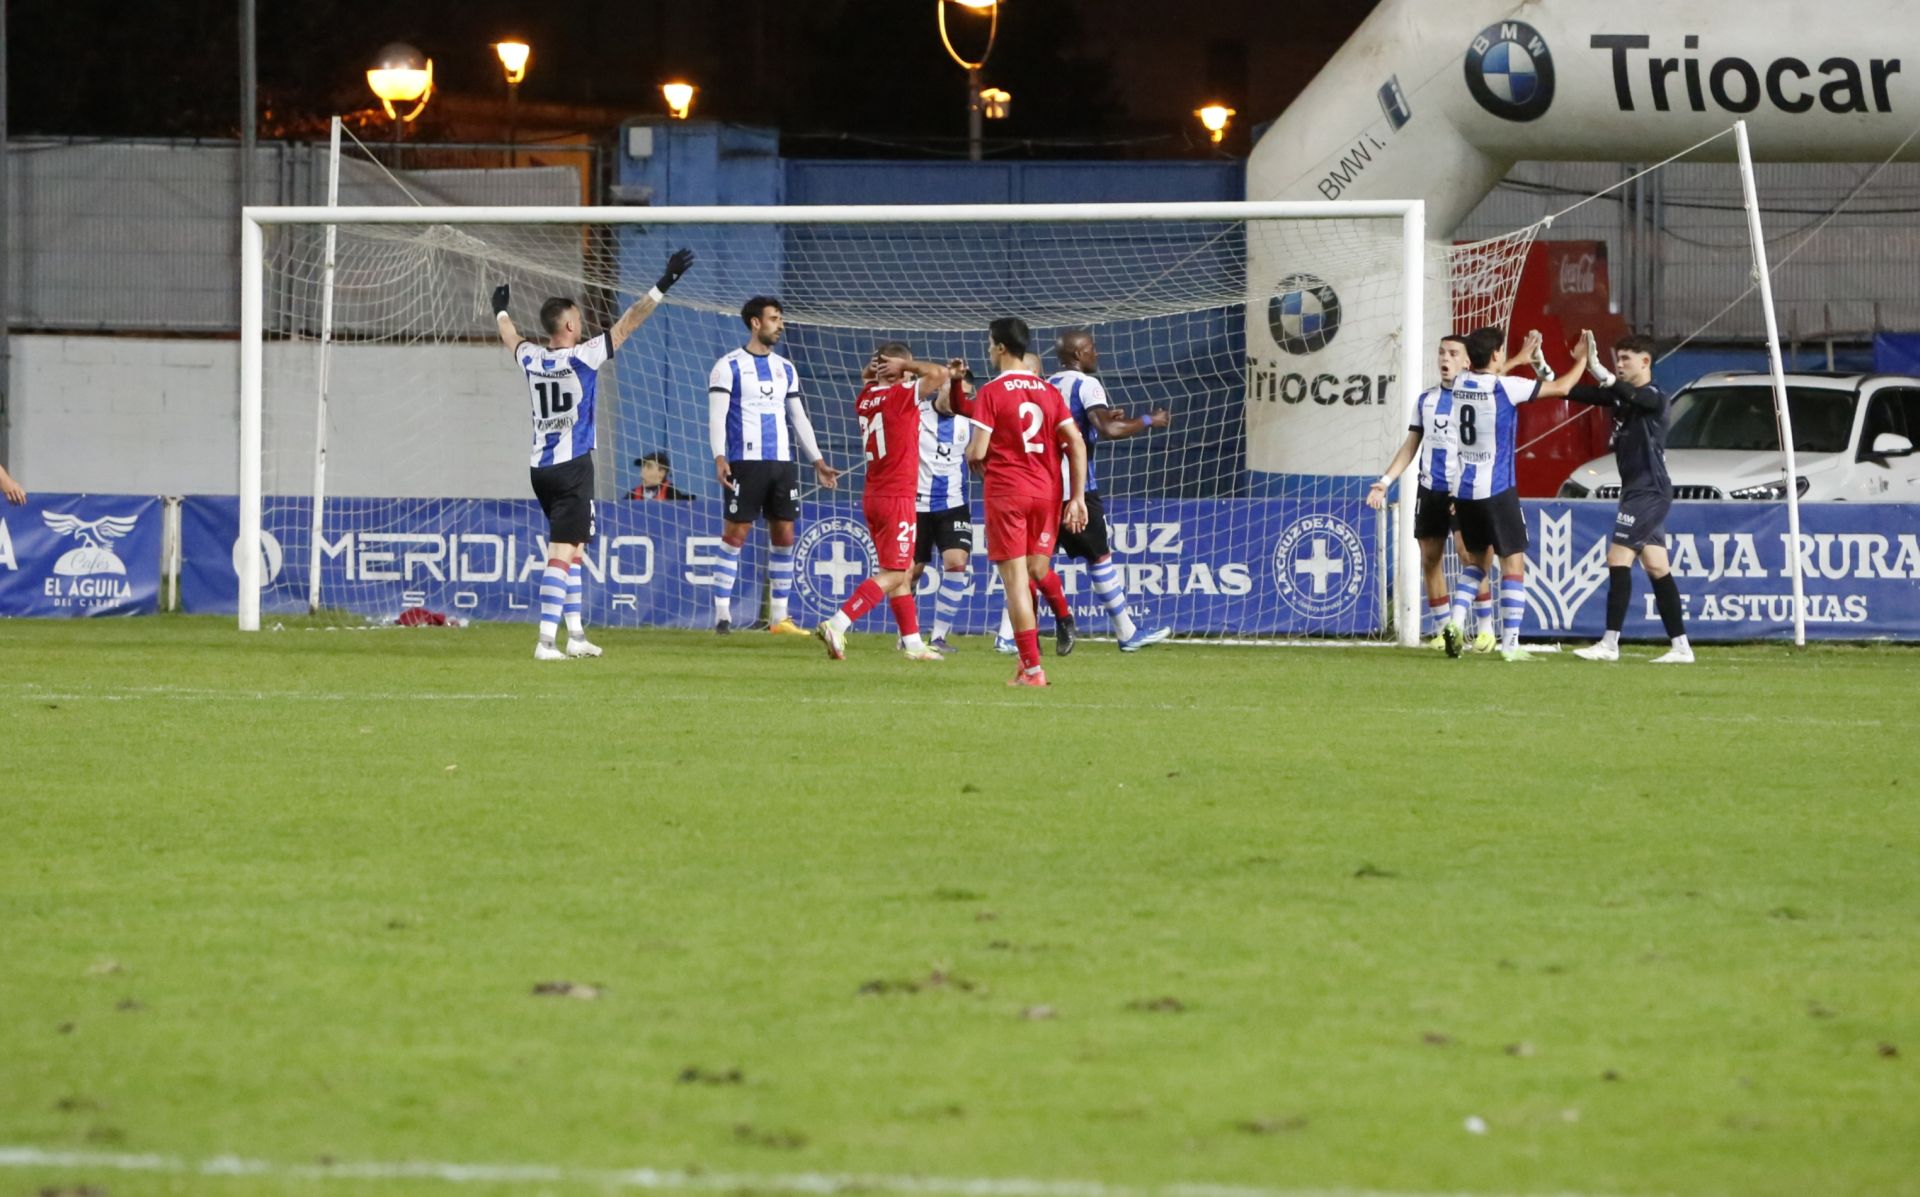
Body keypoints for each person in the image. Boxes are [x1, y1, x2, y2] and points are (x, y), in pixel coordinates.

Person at [493, 247, 693, 661]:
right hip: (572, 467)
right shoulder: (583, 356)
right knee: (561, 553)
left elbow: (510, 338)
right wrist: (664, 283)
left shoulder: (532, 356)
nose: (582, 323)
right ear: (567, 324)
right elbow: (629, 323)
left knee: (577, 547)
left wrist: (500, 312)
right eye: (579, 318)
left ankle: (576, 635)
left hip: (541, 467)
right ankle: (546, 642)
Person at [1443, 326, 1583, 661]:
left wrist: (1520, 358)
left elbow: (1489, 374)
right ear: (1495, 355)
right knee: (1512, 563)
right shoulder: (1507, 387)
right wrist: (1583, 360)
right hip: (1497, 489)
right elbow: (1563, 386)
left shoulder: (1461, 383)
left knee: (1476, 564)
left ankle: (1455, 622)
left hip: (1464, 492)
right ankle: (1510, 645)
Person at [707, 297, 841, 635]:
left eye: (780, 319)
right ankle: (722, 614)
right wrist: (719, 456)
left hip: (782, 463)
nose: (779, 325)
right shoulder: (728, 365)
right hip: (745, 462)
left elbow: (798, 417)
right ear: (755, 322)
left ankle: (779, 619)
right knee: (736, 533)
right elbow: (718, 416)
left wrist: (818, 461)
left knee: (784, 535)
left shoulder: (786, 368)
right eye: (774, 318)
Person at [966, 317, 1088, 687]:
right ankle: (1027, 662)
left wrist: (977, 461)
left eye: (990, 344)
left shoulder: (992, 391)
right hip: (1047, 493)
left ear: (1001, 347)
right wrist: (1077, 497)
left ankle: (1033, 669)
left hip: (1009, 493)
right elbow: (1077, 444)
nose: (989, 350)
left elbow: (977, 450)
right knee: (1036, 570)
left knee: (1017, 583)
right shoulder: (1049, 392)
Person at [1560, 330, 1694, 664]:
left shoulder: (1654, 396)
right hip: (1637, 491)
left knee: (1617, 559)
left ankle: (1609, 643)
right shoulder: (1623, 396)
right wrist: (1545, 369)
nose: (1619, 364)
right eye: (1617, 359)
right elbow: (1577, 393)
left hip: (1649, 491)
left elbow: (1629, 395)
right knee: (1657, 566)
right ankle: (1681, 647)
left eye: (1625, 359)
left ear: (1645, 362)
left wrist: (1596, 366)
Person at [1036, 329, 1172, 653]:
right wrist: (1148, 420)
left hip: (1043, 489)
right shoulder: (1087, 384)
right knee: (1099, 558)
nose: (1096, 353)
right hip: (1079, 490)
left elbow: (1076, 423)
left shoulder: (1047, 384)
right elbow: (1108, 429)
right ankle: (1127, 633)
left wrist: (1100, 417)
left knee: (1033, 563)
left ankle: (1006, 637)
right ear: (1079, 355)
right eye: (1092, 348)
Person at [813, 345, 952, 662]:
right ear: (900, 369)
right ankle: (838, 623)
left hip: (874, 495)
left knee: (899, 574)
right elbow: (940, 374)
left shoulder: (865, 399)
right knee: (895, 572)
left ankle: (914, 644)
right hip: (897, 497)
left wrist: (881, 368)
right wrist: (907, 364)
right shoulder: (900, 395)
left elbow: (868, 377)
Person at [1366, 334, 1498, 651]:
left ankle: (1485, 629)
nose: (1445, 359)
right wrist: (1385, 481)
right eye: (1441, 353)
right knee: (1430, 558)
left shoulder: (1480, 397)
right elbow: (1411, 445)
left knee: (1469, 556)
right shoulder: (1426, 400)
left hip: (1465, 490)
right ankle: (1444, 630)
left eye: (1453, 353)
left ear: (1468, 361)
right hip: (1431, 489)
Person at [909, 359, 977, 654]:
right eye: (955, 388)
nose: (960, 398)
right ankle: (907, 633)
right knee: (910, 573)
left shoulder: (970, 423)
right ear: (941, 386)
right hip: (915, 505)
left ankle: (938, 636)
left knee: (956, 563)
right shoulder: (916, 414)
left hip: (953, 505)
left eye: (967, 393)